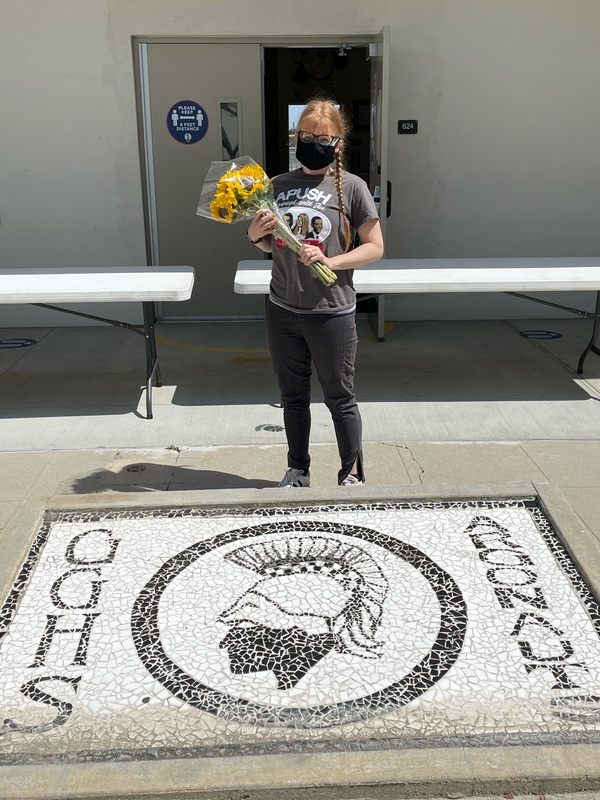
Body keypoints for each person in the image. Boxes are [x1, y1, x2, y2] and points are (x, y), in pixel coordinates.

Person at [246, 98, 384, 487]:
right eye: (305, 135)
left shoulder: (352, 188)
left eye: (322, 137)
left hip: (331, 312)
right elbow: (272, 245)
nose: (312, 142)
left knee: (340, 397)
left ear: (338, 142)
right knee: (292, 398)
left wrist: (330, 261)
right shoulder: (276, 185)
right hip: (283, 309)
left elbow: (374, 246)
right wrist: (256, 237)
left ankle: (351, 472)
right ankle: (298, 468)